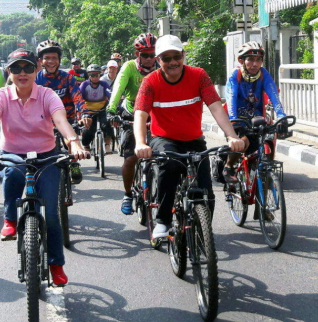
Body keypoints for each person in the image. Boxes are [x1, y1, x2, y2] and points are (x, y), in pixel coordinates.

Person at [0, 49, 89, 286]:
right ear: (9, 72)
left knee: (53, 215)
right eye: (16, 68)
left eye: (27, 68)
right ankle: (10, 219)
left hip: (46, 155)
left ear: (36, 70)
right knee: (12, 171)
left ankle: (56, 264)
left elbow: (60, 121)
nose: (22, 73)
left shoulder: (47, 95)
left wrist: (74, 142)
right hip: (13, 153)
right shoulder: (0, 96)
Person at [133, 35, 245, 238]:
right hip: (164, 138)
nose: (172, 62)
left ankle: (203, 235)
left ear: (183, 55)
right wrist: (141, 142)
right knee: (170, 165)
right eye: (166, 59)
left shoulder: (199, 75)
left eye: (176, 56)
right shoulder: (151, 81)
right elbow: (140, 114)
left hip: (194, 140)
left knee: (206, 192)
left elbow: (216, 107)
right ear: (159, 60)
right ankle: (163, 221)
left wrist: (232, 136)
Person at [106, 33, 159, 214]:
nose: (150, 59)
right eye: (145, 55)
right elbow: (118, 88)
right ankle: (128, 194)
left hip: (156, 115)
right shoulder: (129, 67)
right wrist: (111, 109)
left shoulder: (162, 67)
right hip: (132, 114)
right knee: (130, 159)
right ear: (138, 55)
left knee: (165, 158)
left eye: (153, 54)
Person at [223, 41, 286, 181]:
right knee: (241, 143)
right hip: (236, 119)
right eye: (250, 59)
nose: (255, 64)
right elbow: (231, 97)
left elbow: (274, 95)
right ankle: (228, 167)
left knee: (268, 136)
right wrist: (233, 120)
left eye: (258, 60)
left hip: (257, 118)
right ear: (241, 61)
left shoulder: (263, 74)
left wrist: (282, 116)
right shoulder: (235, 75)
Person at [35, 40, 88, 183]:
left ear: (59, 60)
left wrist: (84, 113)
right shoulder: (35, 78)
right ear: (40, 60)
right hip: (42, 121)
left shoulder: (67, 77)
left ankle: (74, 163)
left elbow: (77, 96)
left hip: (66, 119)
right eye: (47, 58)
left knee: (70, 140)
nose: (51, 61)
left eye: (54, 58)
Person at [79, 64, 113, 153]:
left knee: (107, 125)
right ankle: (86, 146)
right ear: (89, 76)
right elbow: (79, 98)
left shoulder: (104, 84)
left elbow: (109, 93)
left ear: (99, 75)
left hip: (102, 109)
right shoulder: (84, 84)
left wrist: (111, 97)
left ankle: (107, 145)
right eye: (92, 75)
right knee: (88, 130)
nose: (95, 77)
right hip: (88, 110)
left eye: (97, 75)